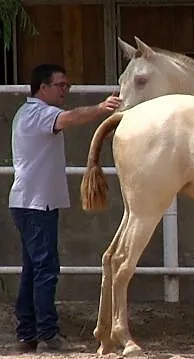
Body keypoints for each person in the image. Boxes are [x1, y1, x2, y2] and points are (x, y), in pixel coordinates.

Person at [8, 64, 122, 353]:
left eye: (66, 86)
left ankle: (28, 333)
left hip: (31, 202)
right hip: (36, 204)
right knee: (45, 269)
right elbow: (70, 118)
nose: (64, 91)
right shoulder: (38, 114)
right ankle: (47, 332)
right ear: (42, 87)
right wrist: (101, 108)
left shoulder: (30, 113)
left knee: (33, 269)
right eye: (60, 85)